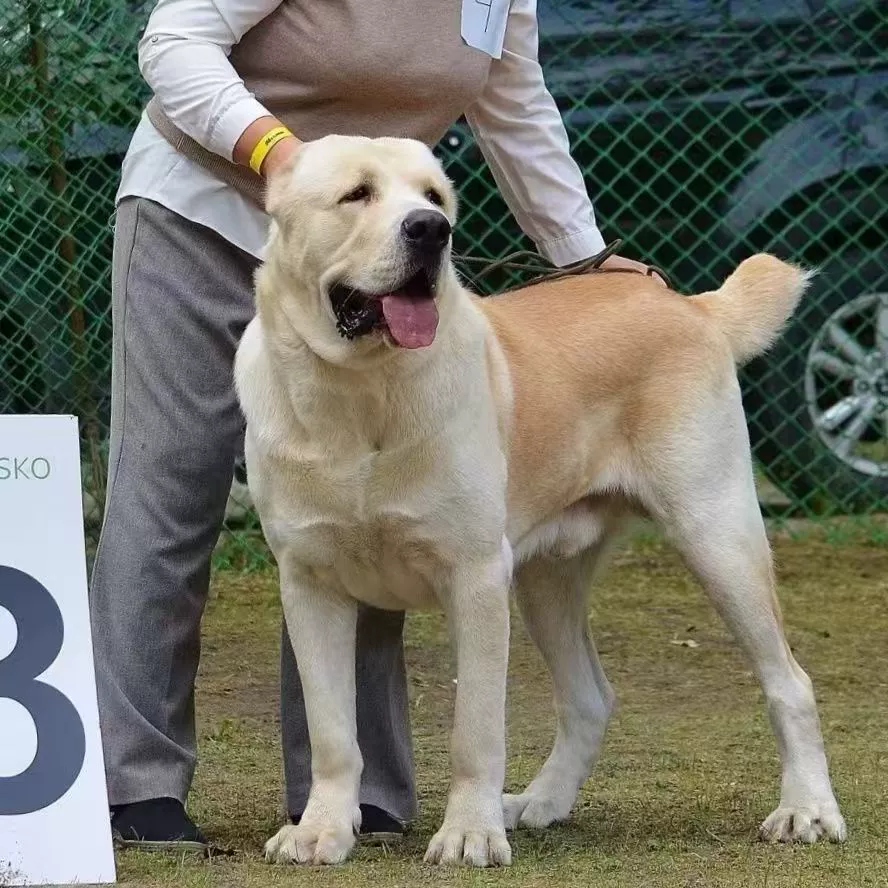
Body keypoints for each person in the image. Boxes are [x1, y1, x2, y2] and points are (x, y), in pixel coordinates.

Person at [90, 0, 664, 851]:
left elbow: (512, 98)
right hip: (206, 212)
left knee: (385, 497)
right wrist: (278, 157)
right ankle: (135, 784)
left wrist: (579, 254)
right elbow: (174, 41)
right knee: (169, 489)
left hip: (387, 240)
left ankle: (351, 797)